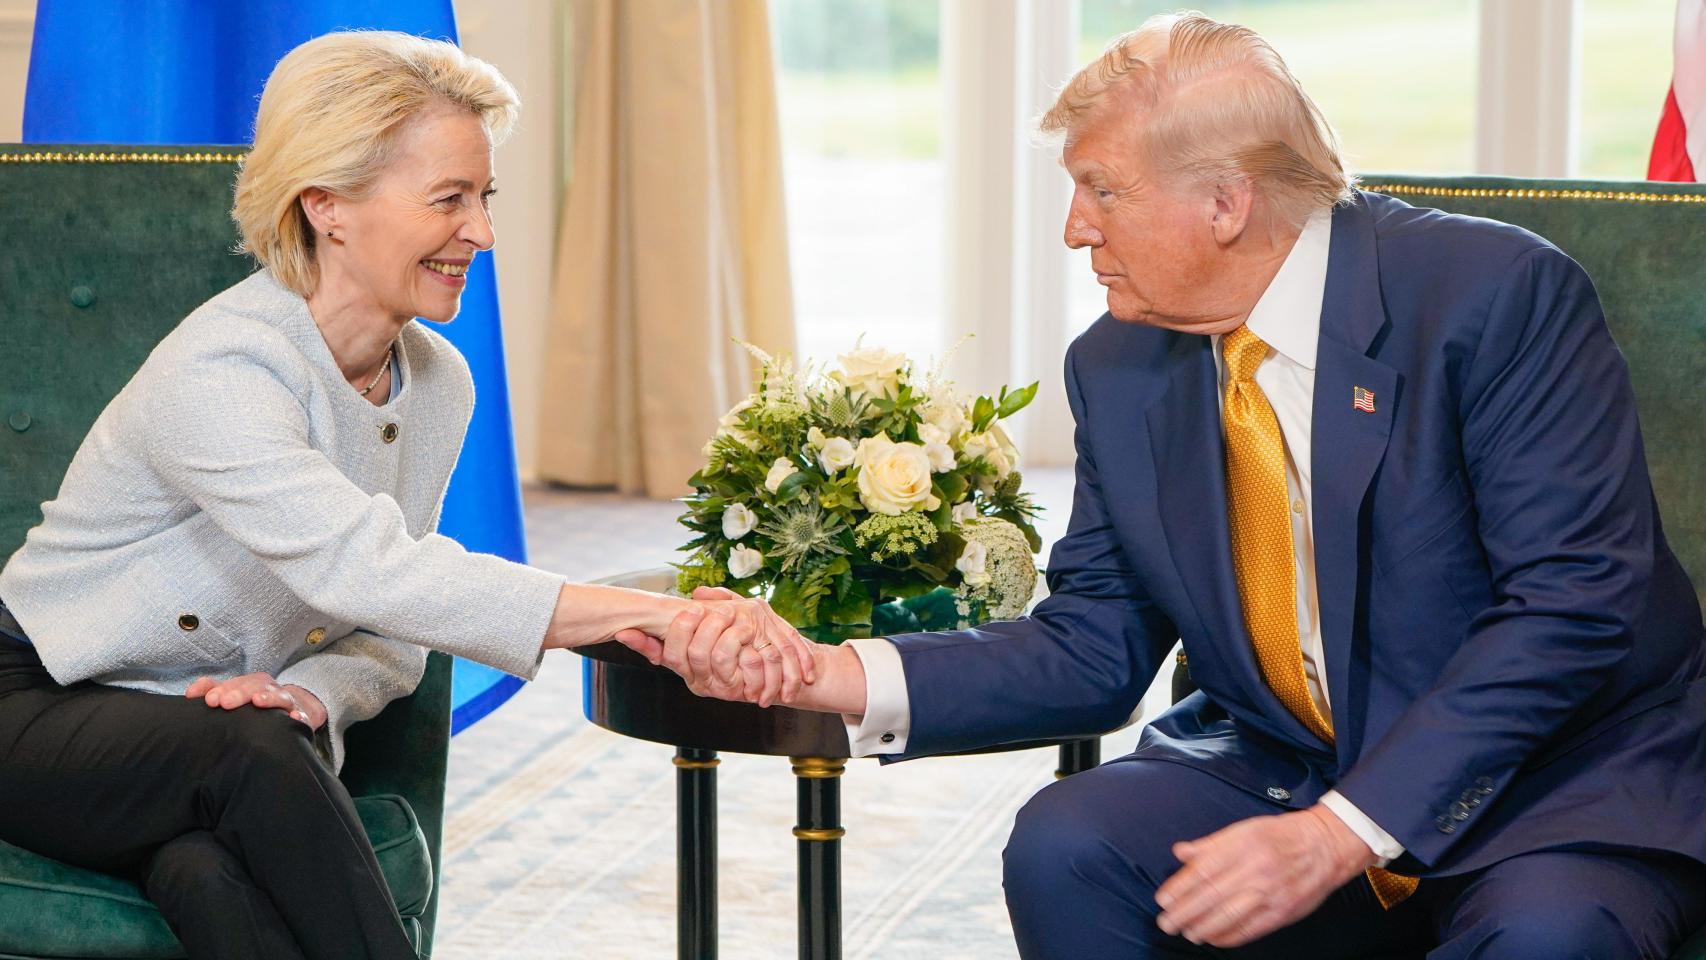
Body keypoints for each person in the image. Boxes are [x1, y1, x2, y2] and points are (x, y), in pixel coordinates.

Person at [625, 13, 1706, 958]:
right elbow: (1093, 643)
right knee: (1069, 844)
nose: (1074, 228)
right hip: (1290, 763)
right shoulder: (1118, 365)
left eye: (1101, 190)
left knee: (1551, 934)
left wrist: (1337, 834)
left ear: (1226, 203)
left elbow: (1570, 608)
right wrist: (826, 672)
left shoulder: (1491, 295)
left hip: (1549, 785)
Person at [0, 31, 807, 960]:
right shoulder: (224, 369)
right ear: (327, 205)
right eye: (448, 199)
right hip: (38, 705)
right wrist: (657, 615)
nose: (483, 233)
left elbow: (390, 630)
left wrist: (307, 695)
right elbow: (375, 571)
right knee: (251, 757)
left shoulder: (437, 381)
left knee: (206, 870)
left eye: (485, 197)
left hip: (197, 728)